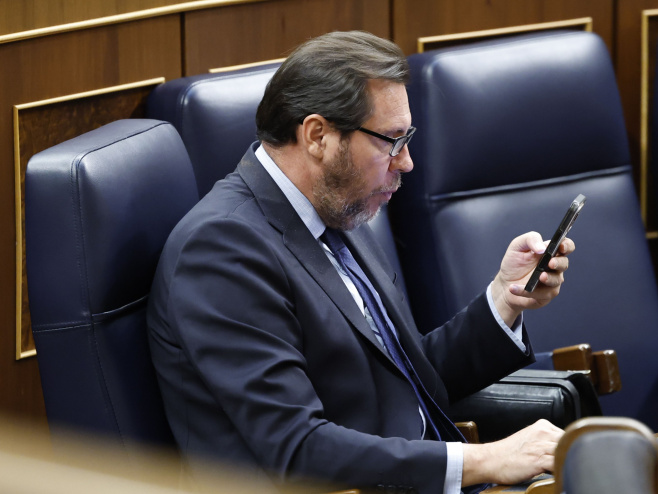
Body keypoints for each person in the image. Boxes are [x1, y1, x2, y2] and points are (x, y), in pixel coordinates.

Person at [148, 30, 575, 494]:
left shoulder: (335, 210)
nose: (407, 162)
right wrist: (487, 459)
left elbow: (406, 378)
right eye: (392, 140)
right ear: (317, 136)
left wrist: (504, 299)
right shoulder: (221, 250)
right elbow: (298, 449)